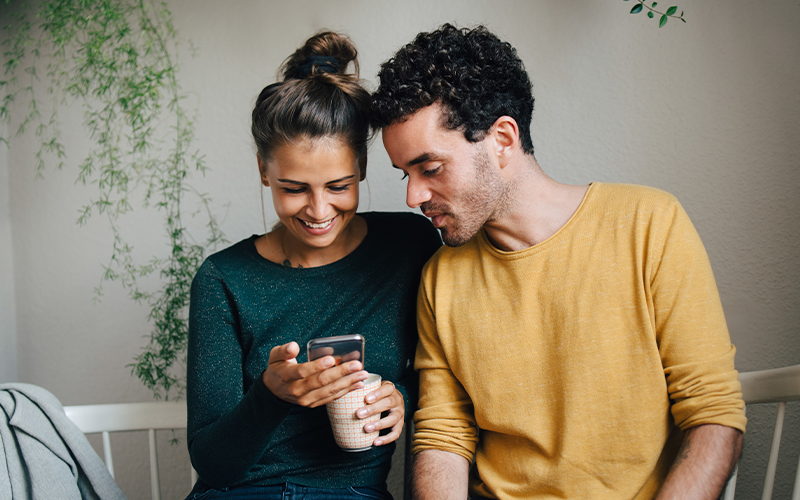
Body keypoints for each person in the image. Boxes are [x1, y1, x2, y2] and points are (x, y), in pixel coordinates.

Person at [370, 24, 746, 500]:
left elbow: (714, 415)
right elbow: (445, 435)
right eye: (405, 174)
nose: (413, 196)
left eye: (430, 168)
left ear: (502, 139)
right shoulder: (441, 279)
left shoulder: (648, 223)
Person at [185, 31, 441, 500]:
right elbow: (213, 463)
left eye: (338, 186)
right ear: (265, 171)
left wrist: (400, 398)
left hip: (351, 490)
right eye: (295, 188)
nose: (319, 211)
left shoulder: (409, 246)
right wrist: (272, 395)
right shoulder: (222, 279)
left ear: (363, 165)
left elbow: (444, 371)